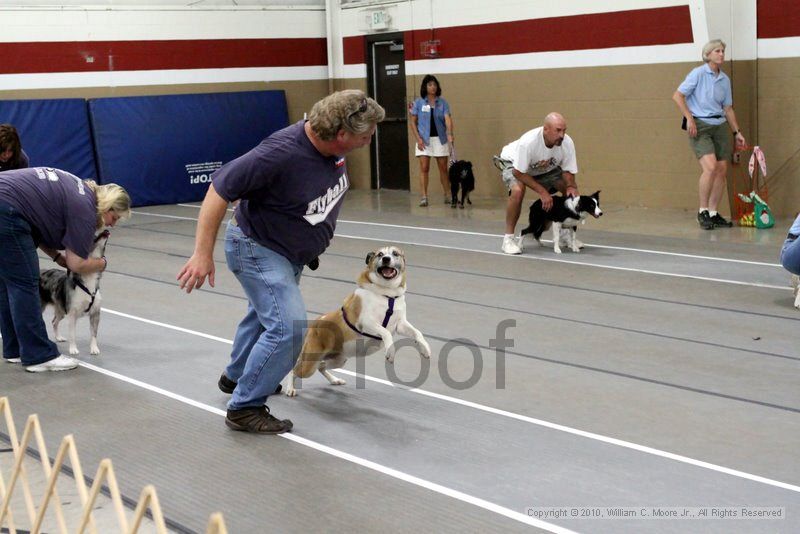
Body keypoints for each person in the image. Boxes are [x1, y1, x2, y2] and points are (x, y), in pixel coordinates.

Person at [176, 90, 385, 435]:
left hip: (289, 253)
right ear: (342, 133)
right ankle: (245, 407)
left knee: (261, 316)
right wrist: (202, 253)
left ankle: (236, 376)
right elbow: (219, 190)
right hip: (257, 248)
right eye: (366, 135)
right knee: (287, 327)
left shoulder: (333, 148)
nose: (369, 140)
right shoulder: (279, 153)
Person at [0, 167, 130, 371]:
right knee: (25, 284)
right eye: (115, 218)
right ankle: (38, 356)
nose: (113, 225)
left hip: (7, 202)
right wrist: (102, 263)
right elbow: (76, 264)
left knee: (9, 282)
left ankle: (14, 348)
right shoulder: (85, 209)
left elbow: (36, 225)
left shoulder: (80, 191)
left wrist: (55, 256)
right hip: (7, 208)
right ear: (108, 208)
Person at [673, 39, 746, 230]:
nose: (721, 54)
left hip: (719, 124)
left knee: (722, 169)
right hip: (700, 125)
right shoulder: (698, 73)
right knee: (711, 167)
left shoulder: (725, 79)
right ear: (708, 54)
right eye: (717, 51)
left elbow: (728, 108)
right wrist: (689, 118)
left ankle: (713, 213)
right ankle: (702, 211)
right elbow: (678, 95)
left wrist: (737, 132)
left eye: (722, 51)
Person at [494, 112, 579, 254]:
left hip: (541, 168)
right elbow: (518, 173)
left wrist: (570, 186)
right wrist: (542, 191)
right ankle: (508, 239)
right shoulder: (528, 142)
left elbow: (568, 170)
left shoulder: (567, 143)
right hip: (515, 164)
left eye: (564, 130)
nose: (562, 135)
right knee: (517, 190)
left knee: (570, 191)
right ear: (546, 129)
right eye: (558, 130)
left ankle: (564, 235)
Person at [409, 74, 454, 207]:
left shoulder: (443, 102)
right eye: (429, 85)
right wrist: (418, 139)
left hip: (440, 139)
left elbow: (448, 119)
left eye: (434, 84)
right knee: (424, 168)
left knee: (443, 168)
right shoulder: (418, 103)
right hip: (424, 139)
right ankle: (424, 196)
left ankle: (448, 194)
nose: (432, 87)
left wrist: (450, 133)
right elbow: (413, 122)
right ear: (425, 87)